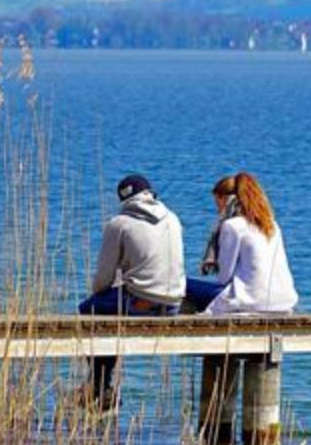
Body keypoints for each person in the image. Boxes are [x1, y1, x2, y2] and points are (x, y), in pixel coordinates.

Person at [75, 174, 185, 409]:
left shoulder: (119, 224)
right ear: (150, 194)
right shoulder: (173, 219)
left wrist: (102, 290)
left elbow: (102, 280)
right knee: (111, 307)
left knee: (89, 309)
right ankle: (100, 385)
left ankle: (100, 384)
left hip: (141, 301)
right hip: (175, 301)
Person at [186, 172, 298, 315]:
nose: (218, 209)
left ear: (225, 200)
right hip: (284, 300)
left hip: (252, 301)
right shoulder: (272, 225)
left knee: (181, 283)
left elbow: (224, 277)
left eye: (217, 202)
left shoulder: (232, 226)